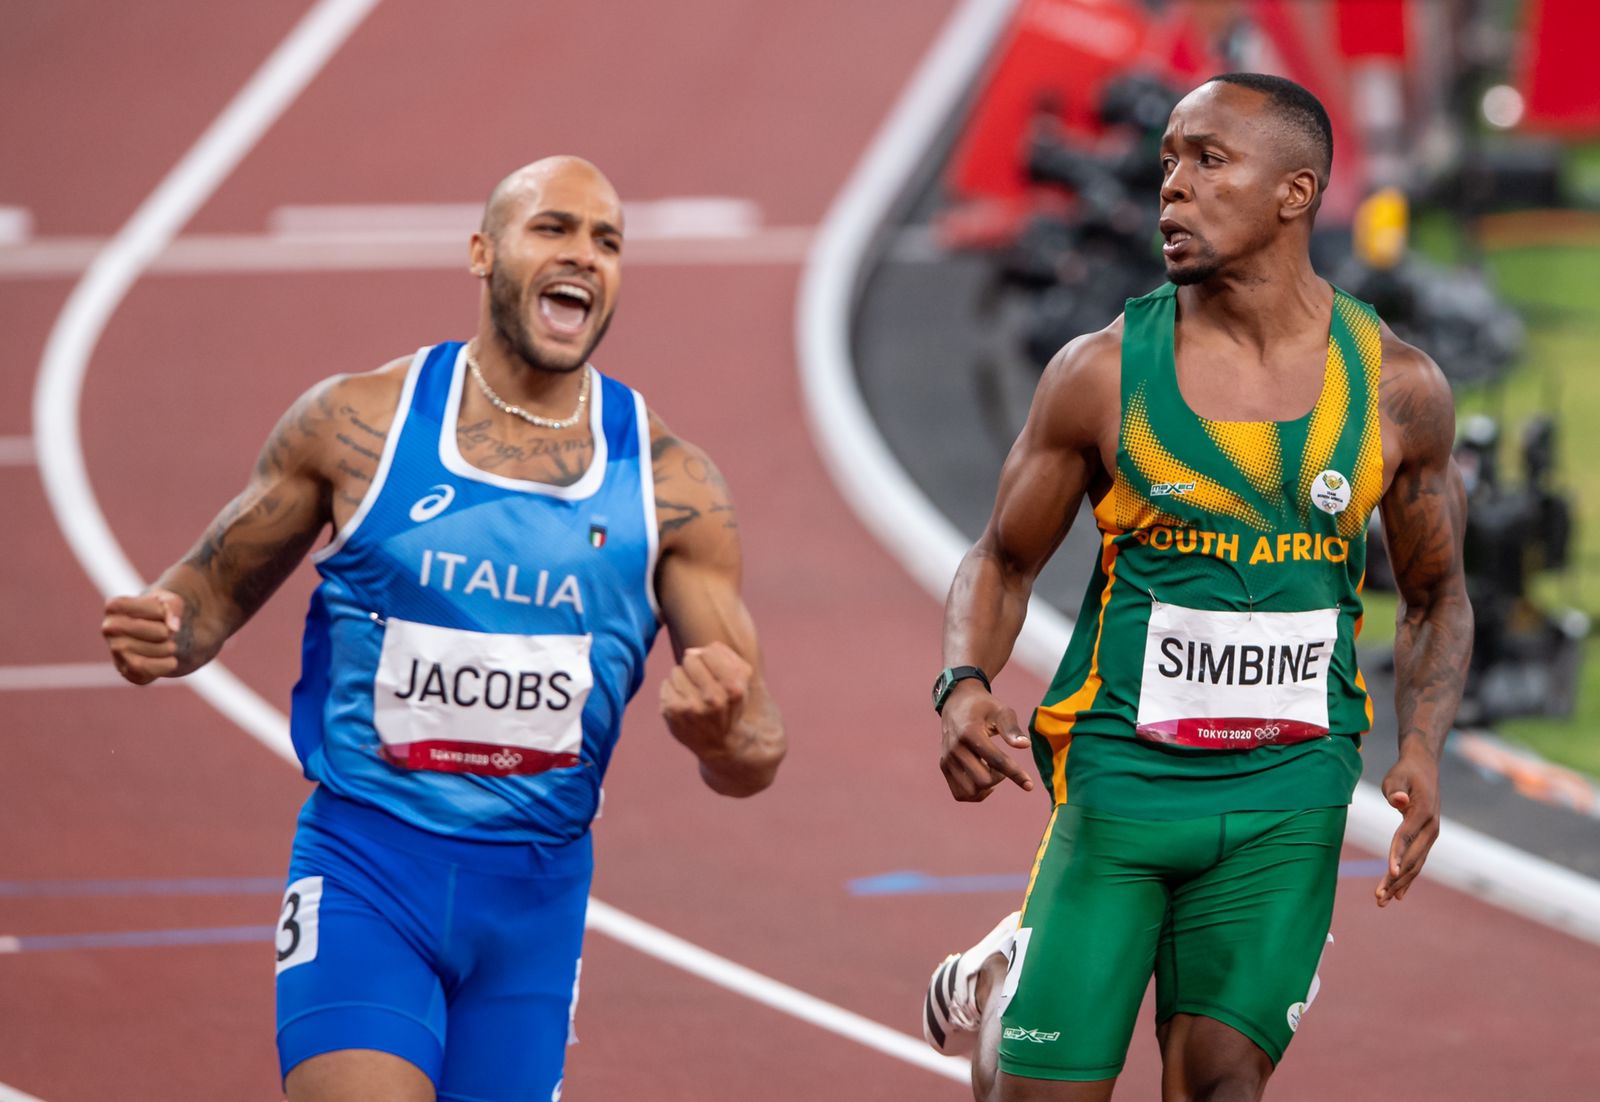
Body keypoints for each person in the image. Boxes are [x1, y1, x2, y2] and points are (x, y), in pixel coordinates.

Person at [100, 155, 786, 1102]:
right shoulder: (355, 427)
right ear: (483, 252)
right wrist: (163, 630)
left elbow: (757, 749)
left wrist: (724, 735)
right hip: (367, 870)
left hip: (536, 907)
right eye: (554, 228)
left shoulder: (673, 485)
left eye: (608, 240)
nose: (584, 254)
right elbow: (202, 604)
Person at [925, 73, 1471, 1101]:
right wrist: (962, 680)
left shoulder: (1398, 389)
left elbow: (1440, 593)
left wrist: (1422, 749)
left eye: (1207, 160)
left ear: (1294, 191)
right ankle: (1008, 976)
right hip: (1125, 784)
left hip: (1290, 790)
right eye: (1168, 159)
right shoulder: (1100, 374)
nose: (1170, 185)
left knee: (1222, 1081)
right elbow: (1001, 557)